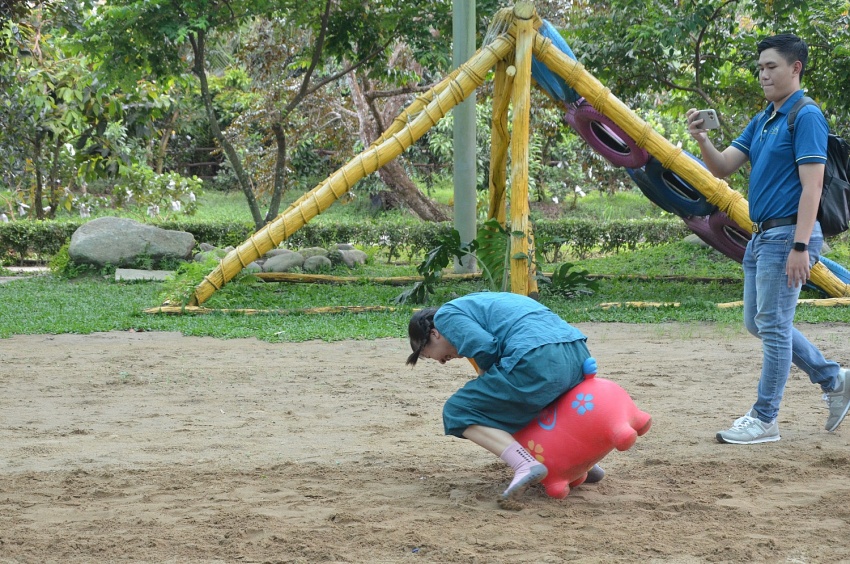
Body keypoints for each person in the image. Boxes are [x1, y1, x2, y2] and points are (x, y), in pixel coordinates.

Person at [686, 33, 849, 444]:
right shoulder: (764, 118)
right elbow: (722, 167)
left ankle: (764, 419)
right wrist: (703, 139)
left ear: (795, 68)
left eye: (771, 66)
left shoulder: (806, 114)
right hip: (761, 237)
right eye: (760, 67)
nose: (763, 74)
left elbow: (811, 186)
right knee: (760, 324)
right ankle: (835, 380)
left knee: (773, 325)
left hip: (788, 235)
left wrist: (800, 246)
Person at [405, 291, 604, 504]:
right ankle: (582, 465)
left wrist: (485, 382)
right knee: (524, 406)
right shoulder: (484, 303)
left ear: (435, 334)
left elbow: (485, 348)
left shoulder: (446, 315)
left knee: (459, 410)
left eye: (427, 354)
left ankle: (525, 464)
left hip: (538, 358)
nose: (440, 362)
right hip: (577, 354)